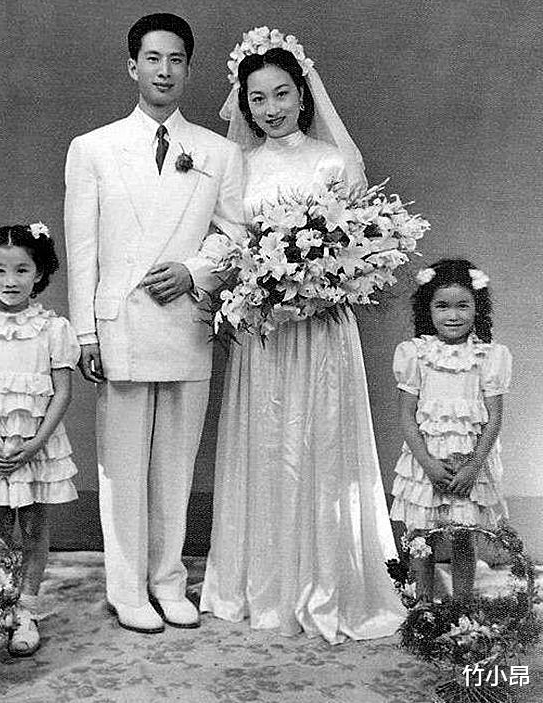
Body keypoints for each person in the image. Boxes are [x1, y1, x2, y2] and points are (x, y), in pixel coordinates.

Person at [201, 30, 405, 643]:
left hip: (321, 331)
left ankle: (328, 581)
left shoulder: (332, 161)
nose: (271, 108)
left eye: (282, 93)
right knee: (268, 444)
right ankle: (263, 584)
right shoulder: (237, 166)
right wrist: (260, 283)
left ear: (303, 93)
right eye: (257, 97)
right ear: (244, 103)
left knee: (320, 442)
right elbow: (229, 242)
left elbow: (361, 247)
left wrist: (320, 282)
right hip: (265, 333)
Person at [64, 13, 243, 634]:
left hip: (185, 321)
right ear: (132, 66)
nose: (164, 71)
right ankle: (127, 588)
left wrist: (195, 271)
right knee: (121, 469)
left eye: (176, 60)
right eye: (152, 59)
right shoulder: (93, 148)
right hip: (121, 325)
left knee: (176, 464)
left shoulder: (219, 152)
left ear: (188, 69)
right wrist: (85, 332)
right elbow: (83, 247)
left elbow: (236, 233)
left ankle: (168, 581)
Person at [0, 223, 80, 656]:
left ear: (38, 273)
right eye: (0, 270)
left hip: (35, 445)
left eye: (22, 270)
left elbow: (62, 391)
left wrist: (37, 443)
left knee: (35, 527)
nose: (10, 280)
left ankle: (26, 609)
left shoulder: (53, 328)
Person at [389, 259, 510, 601]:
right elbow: (407, 416)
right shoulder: (415, 354)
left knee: (463, 537)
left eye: (463, 305)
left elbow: (494, 418)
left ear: (477, 308)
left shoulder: (489, 356)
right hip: (425, 462)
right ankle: (424, 608)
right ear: (428, 309)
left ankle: (461, 608)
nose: (452, 315)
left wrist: (474, 466)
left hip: (469, 464)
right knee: (421, 540)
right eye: (442, 306)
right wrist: (428, 464)